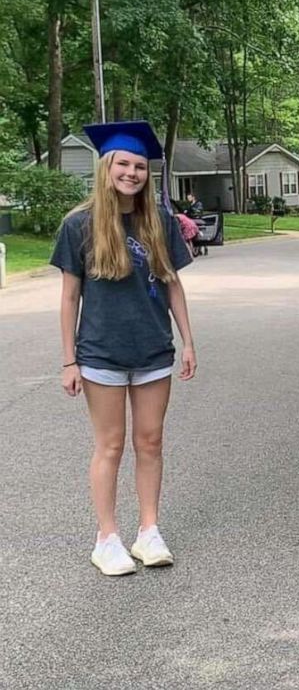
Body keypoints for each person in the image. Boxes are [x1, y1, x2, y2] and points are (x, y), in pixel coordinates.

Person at [51, 121, 196, 576]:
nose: (131, 172)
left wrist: (188, 342)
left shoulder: (159, 221)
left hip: (153, 351)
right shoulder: (78, 224)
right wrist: (69, 359)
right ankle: (107, 538)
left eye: (139, 166)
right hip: (100, 355)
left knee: (150, 441)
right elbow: (70, 298)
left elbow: (173, 286)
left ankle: (149, 531)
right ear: (106, 166)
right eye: (123, 164)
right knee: (110, 445)